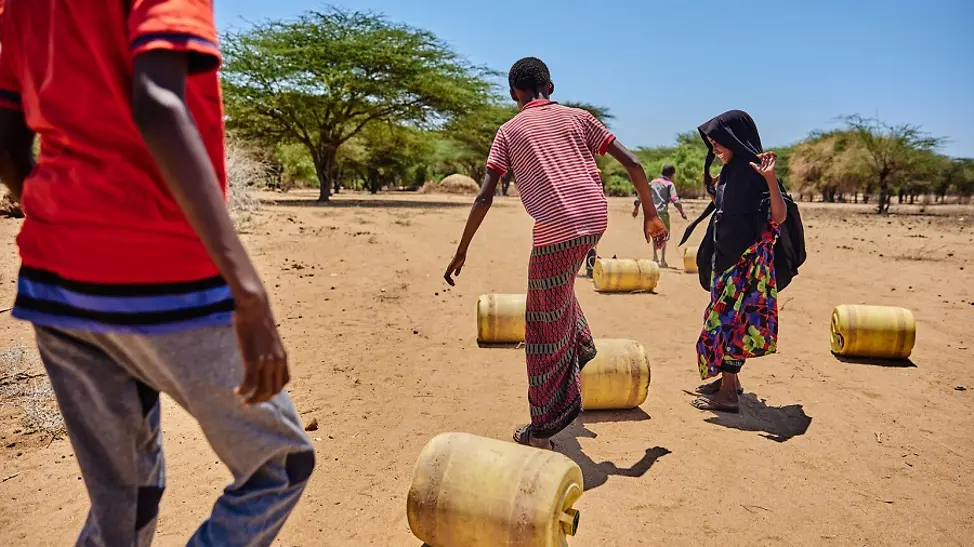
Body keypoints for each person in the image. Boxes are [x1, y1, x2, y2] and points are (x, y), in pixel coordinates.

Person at [0, 1, 314, 545]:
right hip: (165, 276)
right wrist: (248, 289)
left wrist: (63, 217)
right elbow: (158, 105)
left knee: (123, 503)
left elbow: (5, 137)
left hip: (55, 282)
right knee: (278, 463)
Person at [443, 57, 668, 449]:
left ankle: (543, 428)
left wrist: (461, 251)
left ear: (515, 92)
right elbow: (634, 163)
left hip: (557, 231)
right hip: (594, 221)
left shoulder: (508, 131)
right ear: (551, 86)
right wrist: (650, 215)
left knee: (540, 327)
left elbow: (484, 196)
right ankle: (580, 346)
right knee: (557, 292)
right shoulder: (580, 118)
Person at [684, 110, 787, 413]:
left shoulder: (756, 171)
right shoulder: (730, 172)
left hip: (745, 266)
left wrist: (770, 179)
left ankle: (728, 394)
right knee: (725, 320)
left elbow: (778, 216)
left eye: (719, 144)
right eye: (712, 145)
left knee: (729, 323)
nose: (715, 150)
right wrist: (717, 193)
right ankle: (731, 382)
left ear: (734, 140)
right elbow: (732, 213)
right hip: (726, 261)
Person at [631, 164, 687, 267]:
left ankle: (655, 257)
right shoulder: (669, 184)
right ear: (672, 174)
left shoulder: (652, 182)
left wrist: (636, 208)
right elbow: (675, 200)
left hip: (652, 213)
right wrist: (682, 212)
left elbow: (642, 194)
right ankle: (663, 260)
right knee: (664, 235)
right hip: (663, 213)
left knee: (655, 234)